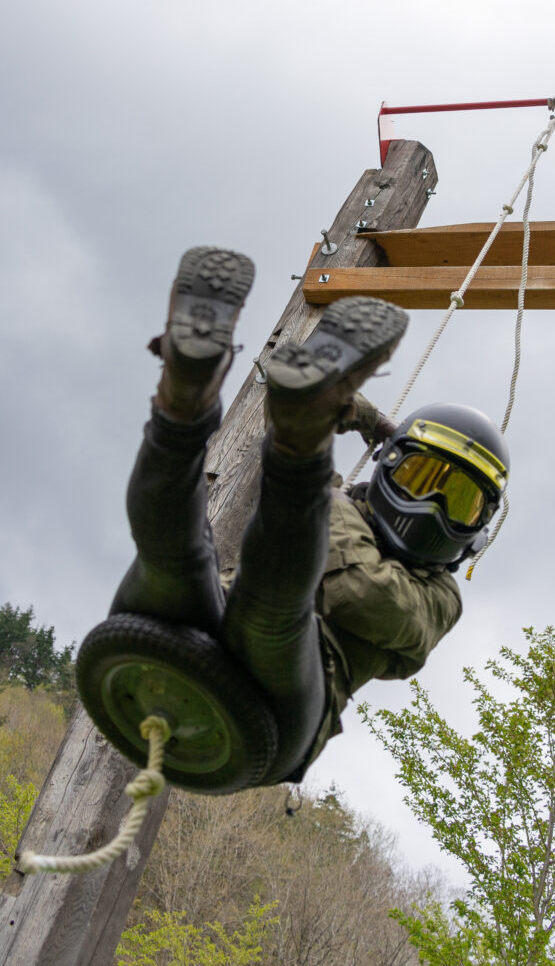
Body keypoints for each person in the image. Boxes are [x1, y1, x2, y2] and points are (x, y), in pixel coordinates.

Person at [109, 247, 509, 786]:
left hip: (281, 707)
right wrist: (362, 417)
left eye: (458, 500)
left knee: (278, 606)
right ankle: (185, 393)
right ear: (391, 468)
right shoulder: (343, 509)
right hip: (203, 625)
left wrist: (337, 444)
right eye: (422, 479)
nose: (432, 507)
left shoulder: (442, 599)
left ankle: (300, 437)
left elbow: (359, 590)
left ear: (477, 528)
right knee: (175, 555)